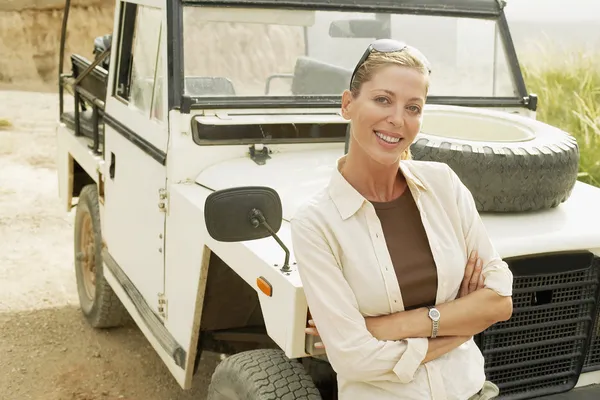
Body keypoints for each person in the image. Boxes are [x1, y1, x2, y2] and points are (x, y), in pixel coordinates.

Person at [290, 39, 514, 400]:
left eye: (413, 107)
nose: (397, 119)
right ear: (348, 104)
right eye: (383, 100)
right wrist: (461, 324)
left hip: (472, 392)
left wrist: (389, 327)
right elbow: (353, 358)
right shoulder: (316, 223)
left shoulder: (443, 184)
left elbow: (500, 301)